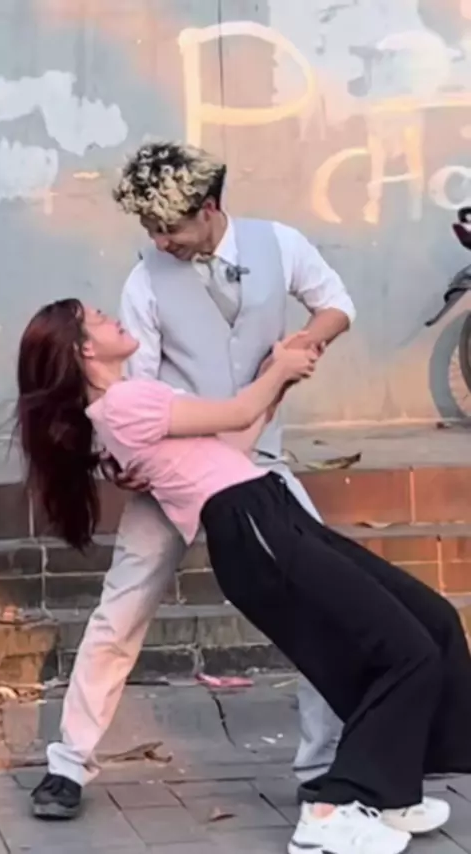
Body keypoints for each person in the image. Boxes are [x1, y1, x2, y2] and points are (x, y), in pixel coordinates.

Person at [17, 298, 471, 854]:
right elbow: (234, 414)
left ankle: (392, 788)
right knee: (404, 649)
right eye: (97, 318)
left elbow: (232, 443)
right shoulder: (125, 402)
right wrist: (278, 369)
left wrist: (276, 382)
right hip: (255, 528)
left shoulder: (130, 400)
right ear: (84, 349)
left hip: (268, 512)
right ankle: (331, 810)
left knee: (432, 621)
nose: (111, 317)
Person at [28, 140, 354, 819]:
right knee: (121, 612)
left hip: (258, 461)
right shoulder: (144, 280)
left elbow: (335, 303)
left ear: (208, 208)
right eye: (148, 228)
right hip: (172, 473)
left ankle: (322, 765)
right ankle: (67, 765)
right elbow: (136, 390)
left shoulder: (279, 243)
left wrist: (301, 345)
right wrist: (135, 462)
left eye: (168, 227)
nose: (158, 240)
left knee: (325, 601)